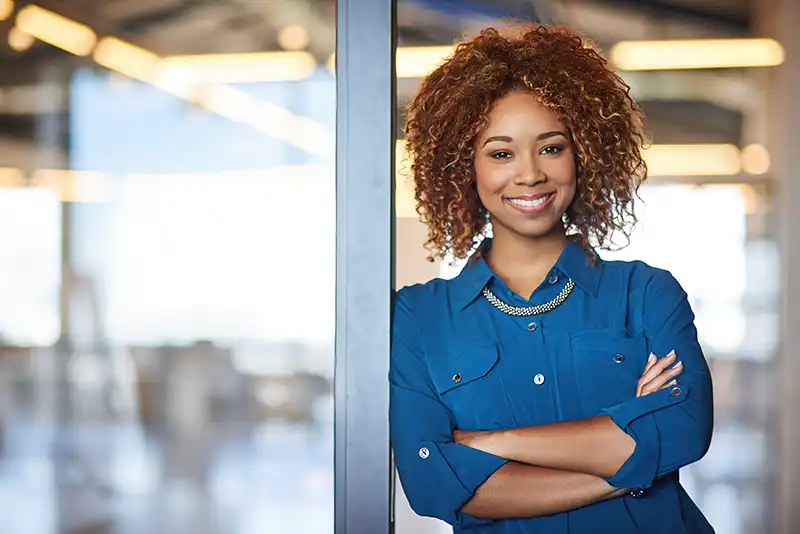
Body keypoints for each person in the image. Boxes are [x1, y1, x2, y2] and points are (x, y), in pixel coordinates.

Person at [389, 25, 714, 534]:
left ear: (582, 153)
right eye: (500, 153)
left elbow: (683, 432)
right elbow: (434, 483)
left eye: (551, 147)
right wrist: (629, 468)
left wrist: (488, 443)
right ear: (463, 166)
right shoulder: (418, 317)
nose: (530, 174)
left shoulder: (648, 295)